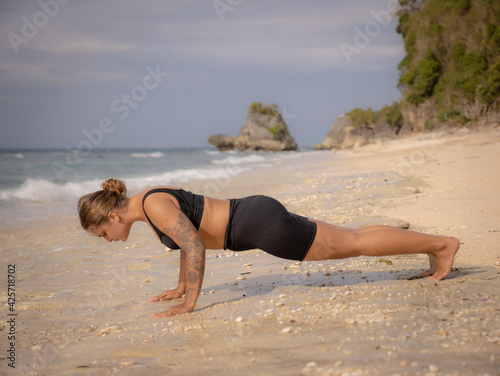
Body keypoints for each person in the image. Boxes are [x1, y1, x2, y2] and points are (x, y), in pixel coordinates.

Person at [78, 178, 460, 318]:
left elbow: (194, 245)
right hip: (256, 216)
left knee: (354, 243)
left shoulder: (152, 205)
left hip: (259, 226)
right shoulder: (149, 202)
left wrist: (189, 303)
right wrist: (179, 288)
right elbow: (185, 243)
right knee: (353, 236)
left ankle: (443, 245)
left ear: (110, 217)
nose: (107, 242)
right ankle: (434, 246)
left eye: (101, 236)